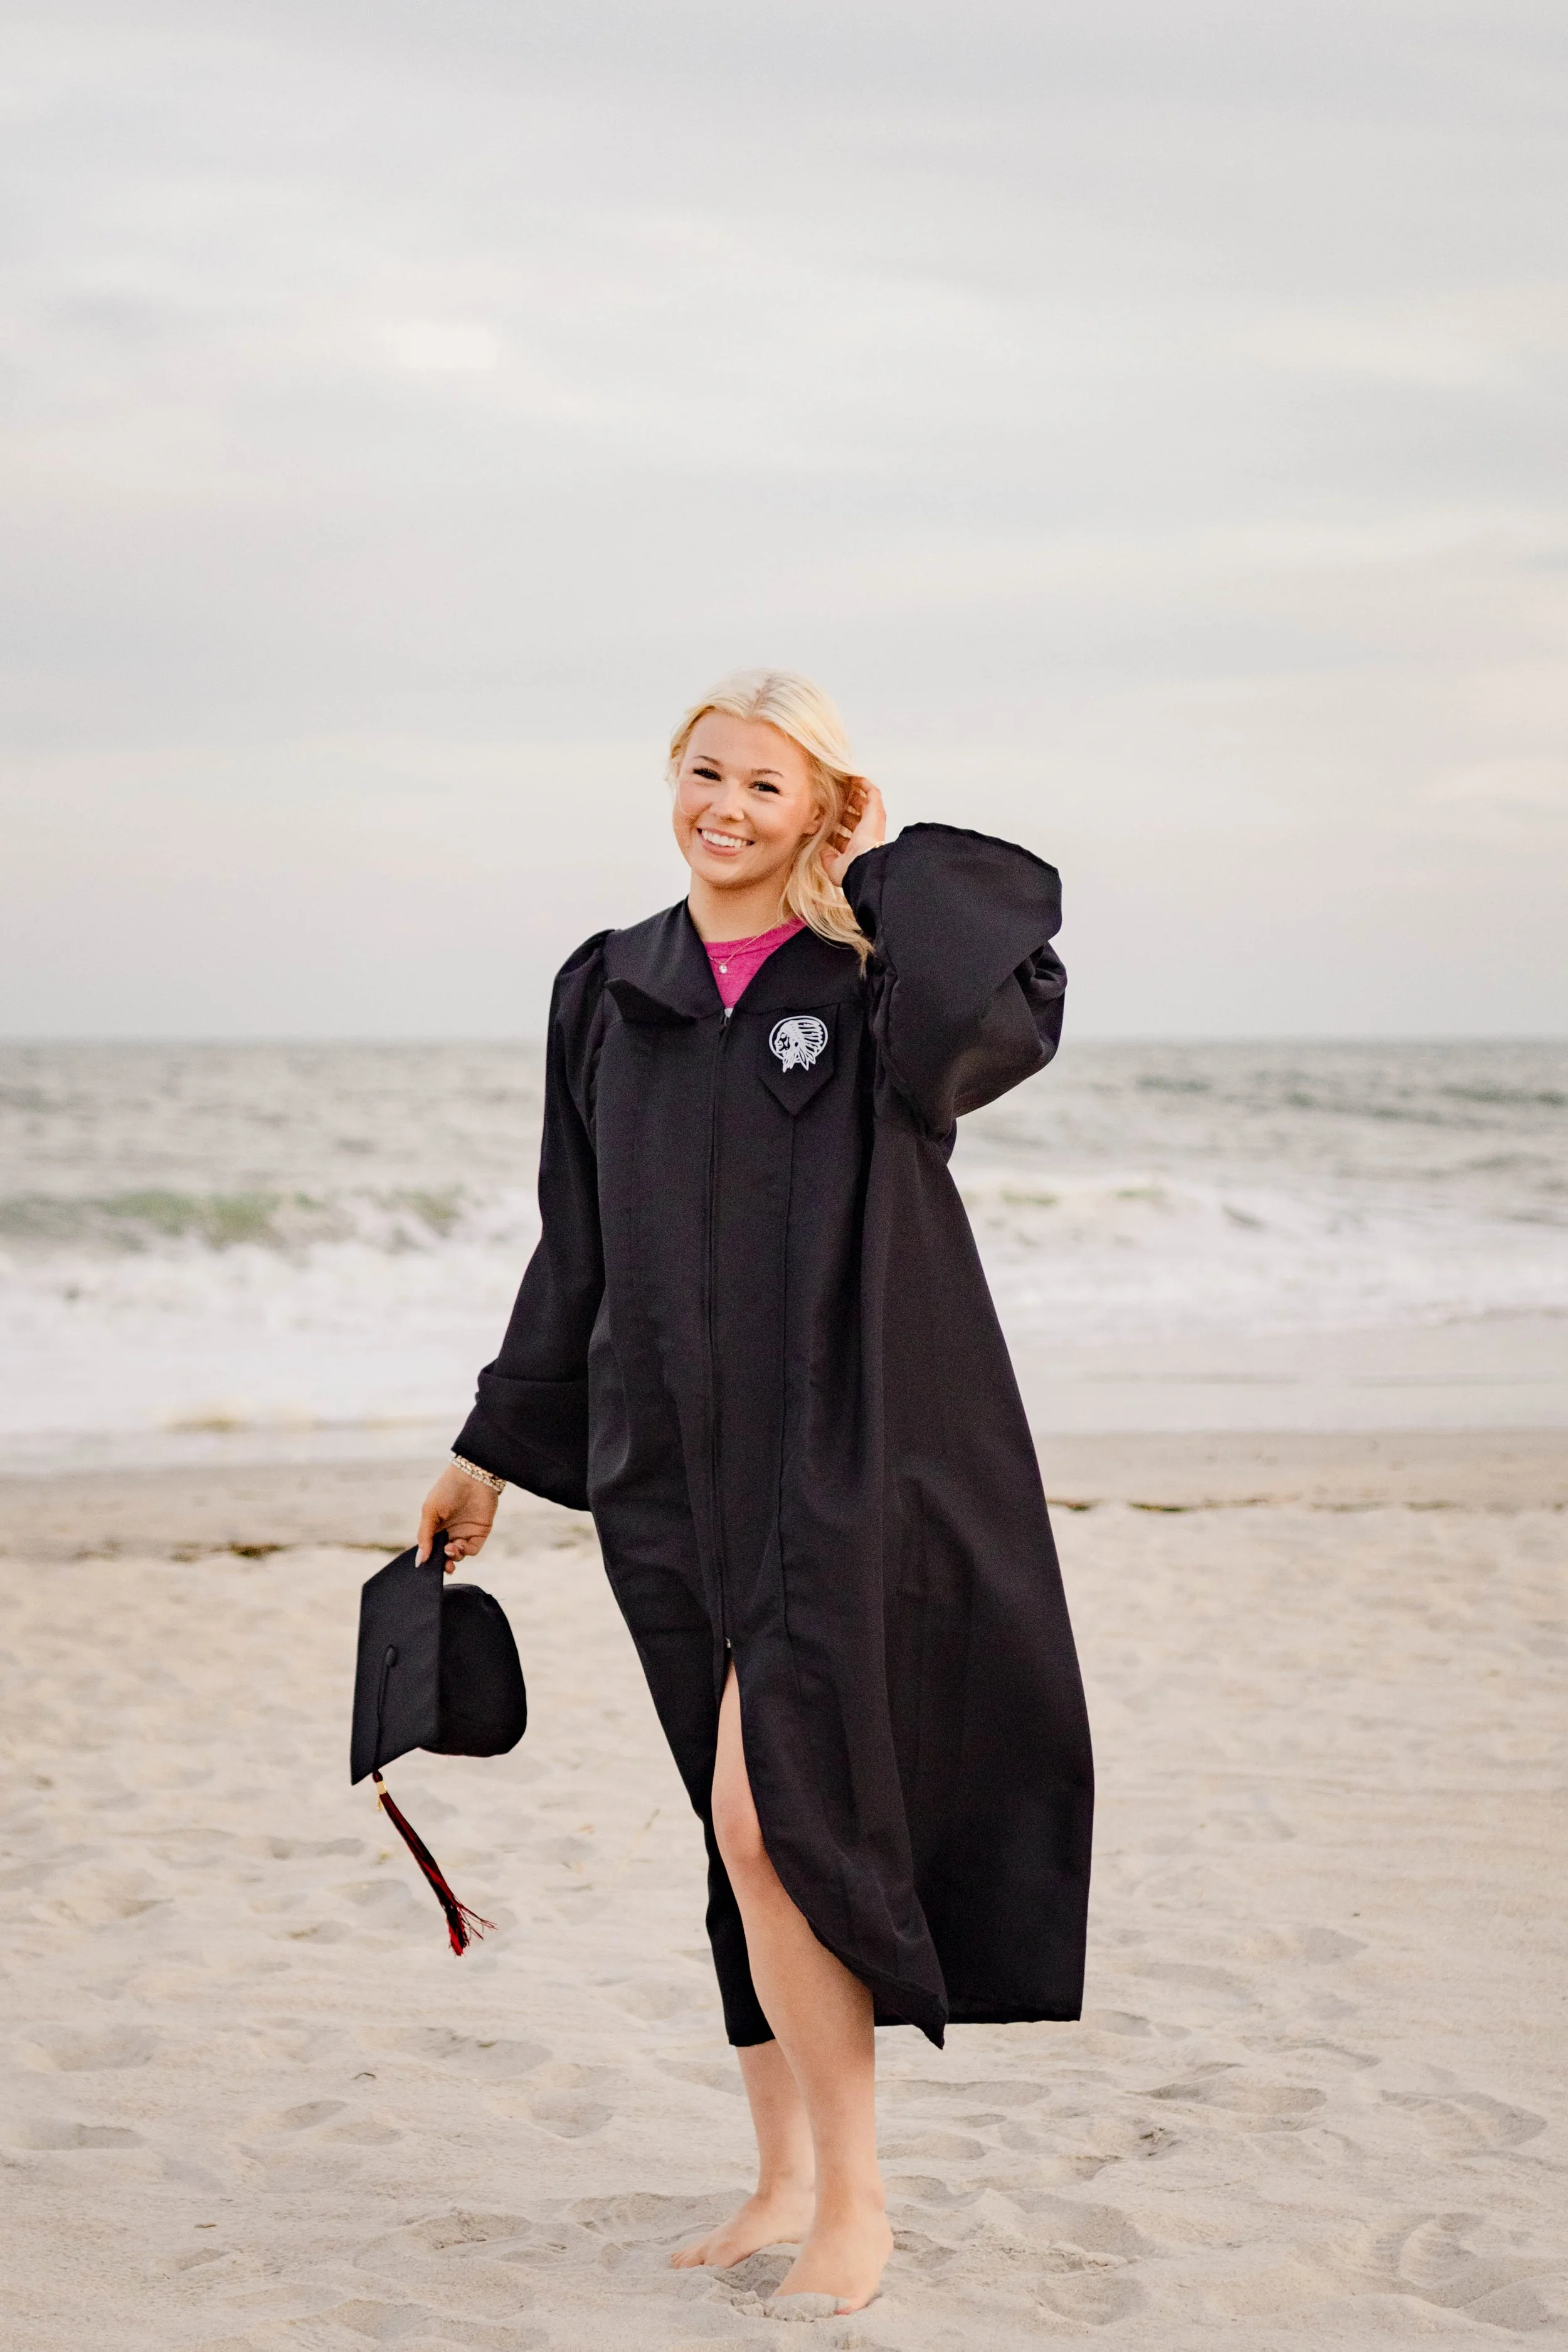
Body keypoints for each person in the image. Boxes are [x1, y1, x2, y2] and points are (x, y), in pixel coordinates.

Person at [417, 670, 1093, 2316]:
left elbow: (1005, 982)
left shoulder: (876, 988)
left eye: (767, 787)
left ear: (826, 809)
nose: (722, 806)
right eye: (702, 773)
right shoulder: (609, 985)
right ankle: (779, 2174)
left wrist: (869, 863)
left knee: (774, 1811)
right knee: (735, 1840)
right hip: (662, 1468)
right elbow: (569, 1239)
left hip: (840, 1453)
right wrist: (492, 1444)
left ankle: (854, 2202)